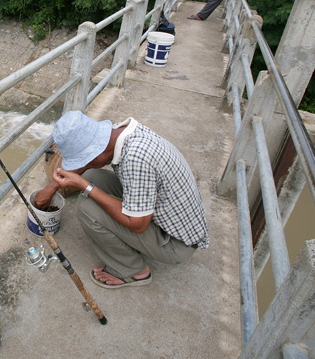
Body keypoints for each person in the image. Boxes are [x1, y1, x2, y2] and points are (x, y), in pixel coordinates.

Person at [34, 111, 208, 289]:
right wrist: (52, 186)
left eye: (85, 158)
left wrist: (85, 186)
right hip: (169, 213)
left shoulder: (135, 159)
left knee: (87, 207)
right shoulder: (121, 132)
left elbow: (137, 224)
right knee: (93, 174)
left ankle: (133, 270)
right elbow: (90, 163)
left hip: (176, 243)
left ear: (96, 150)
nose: (85, 163)